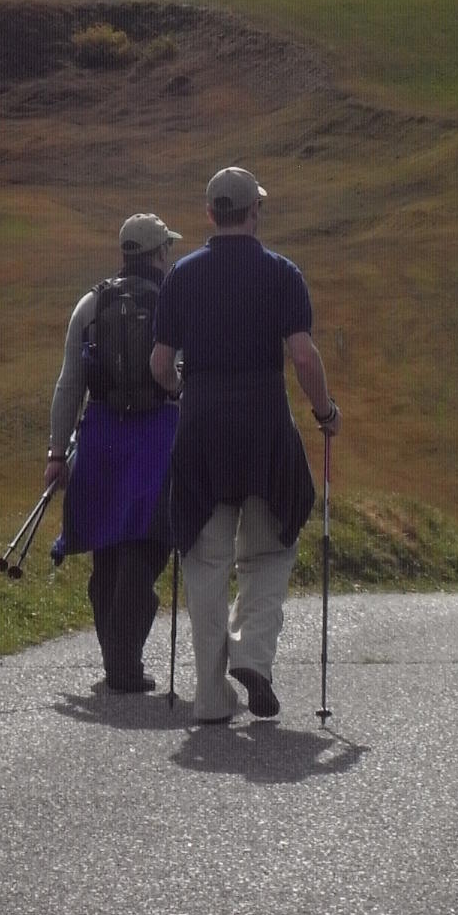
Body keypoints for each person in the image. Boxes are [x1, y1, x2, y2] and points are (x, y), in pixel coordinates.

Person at [149, 166, 341, 723]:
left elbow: (160, 363)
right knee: (268, 550)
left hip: (202, 429)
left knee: (206, 562)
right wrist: (325, 412)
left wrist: (182, 390)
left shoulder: (182, 276)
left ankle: (211, 698)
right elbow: (302, 355)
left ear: (211, 213)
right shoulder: (281, 273)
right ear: (254, 212)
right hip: (265, 428)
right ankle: (253, 655)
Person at [46, 211, 183, 692]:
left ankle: (115, 657)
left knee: (107, 546)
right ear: (159, 253)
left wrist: (56, 452)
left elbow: (70, 383)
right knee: (148, 543)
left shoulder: (91, 303)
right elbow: (182, 374)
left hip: (101, 435)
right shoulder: (172, 303)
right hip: (157, 437)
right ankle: (124, 661)